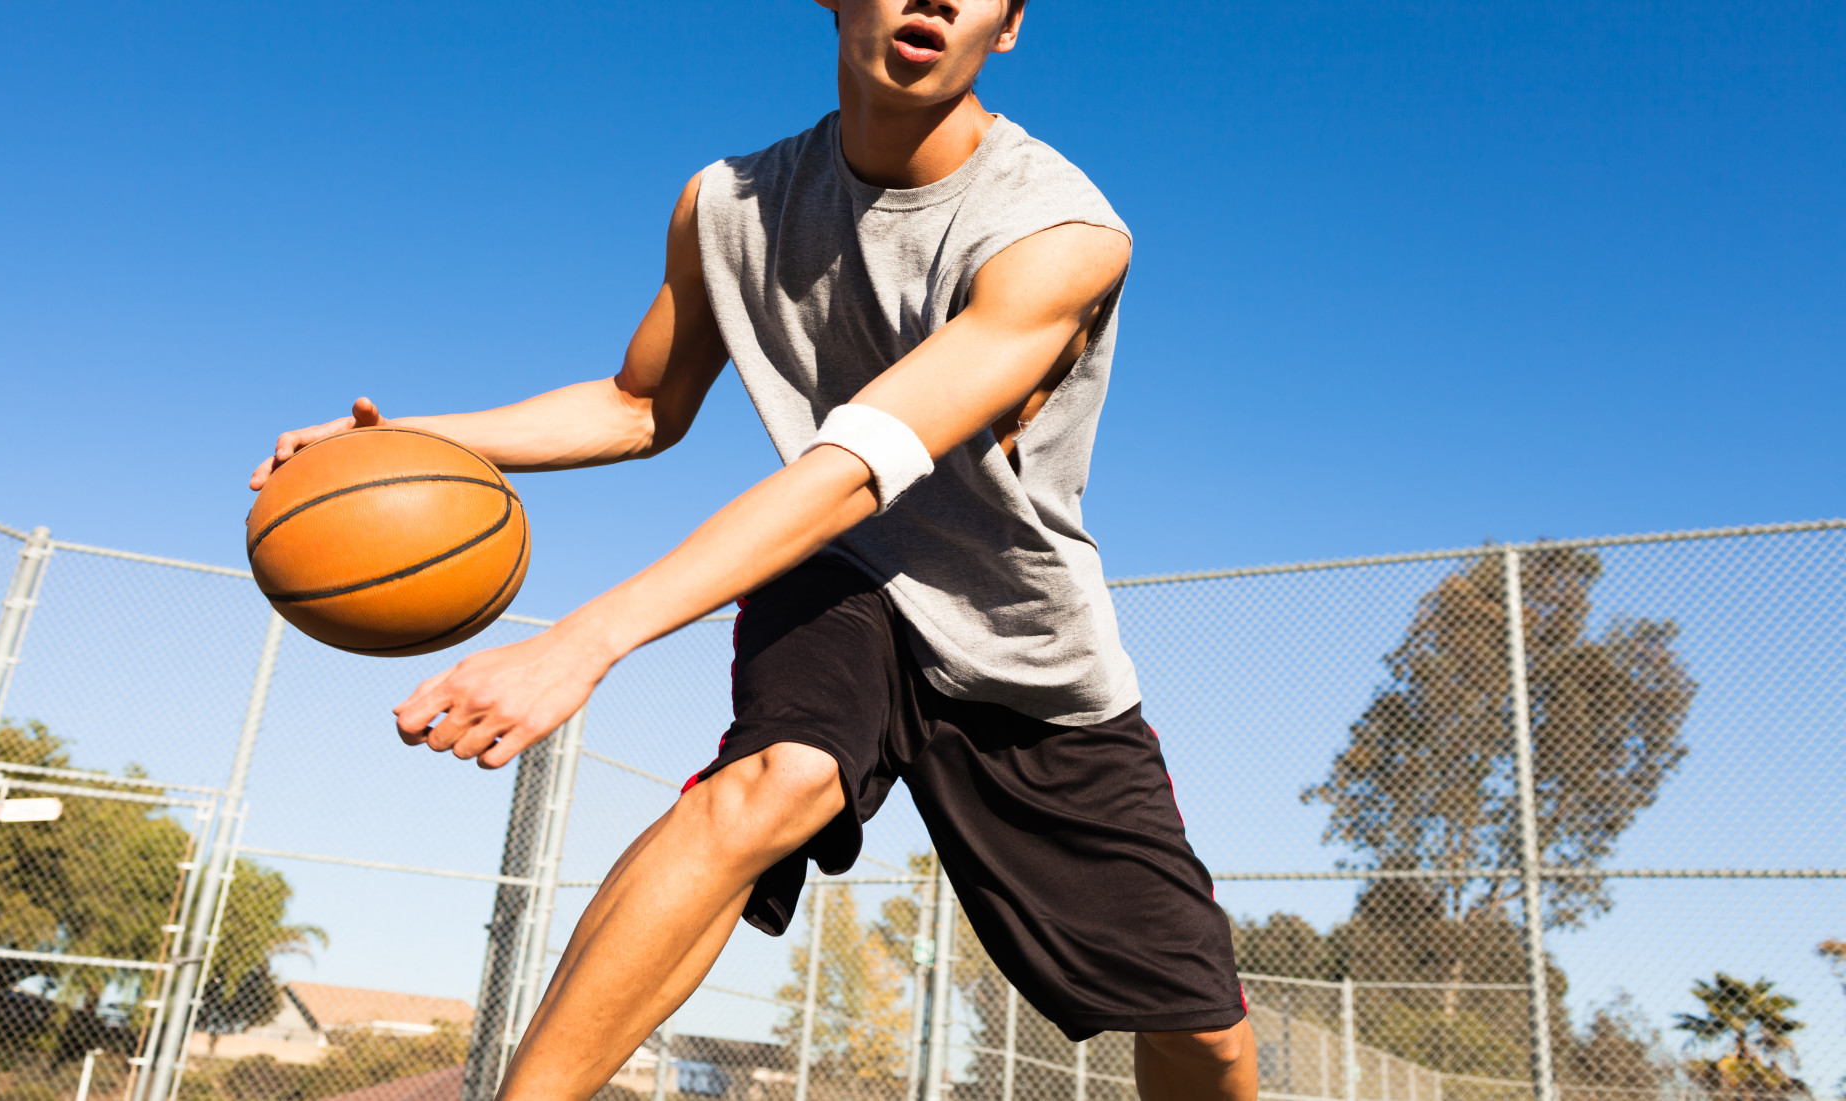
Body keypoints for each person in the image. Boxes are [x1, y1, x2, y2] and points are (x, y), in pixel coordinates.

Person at [252, 3, 1257, 1099]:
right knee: (773, 782)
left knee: (1200, 1029)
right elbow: (639, 405)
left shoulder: (1057, 232)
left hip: (1012, 632)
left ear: (1006, 29)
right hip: (843, 571)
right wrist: (406, 439)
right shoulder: (726, 204)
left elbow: (859, 461)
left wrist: (586, 639)